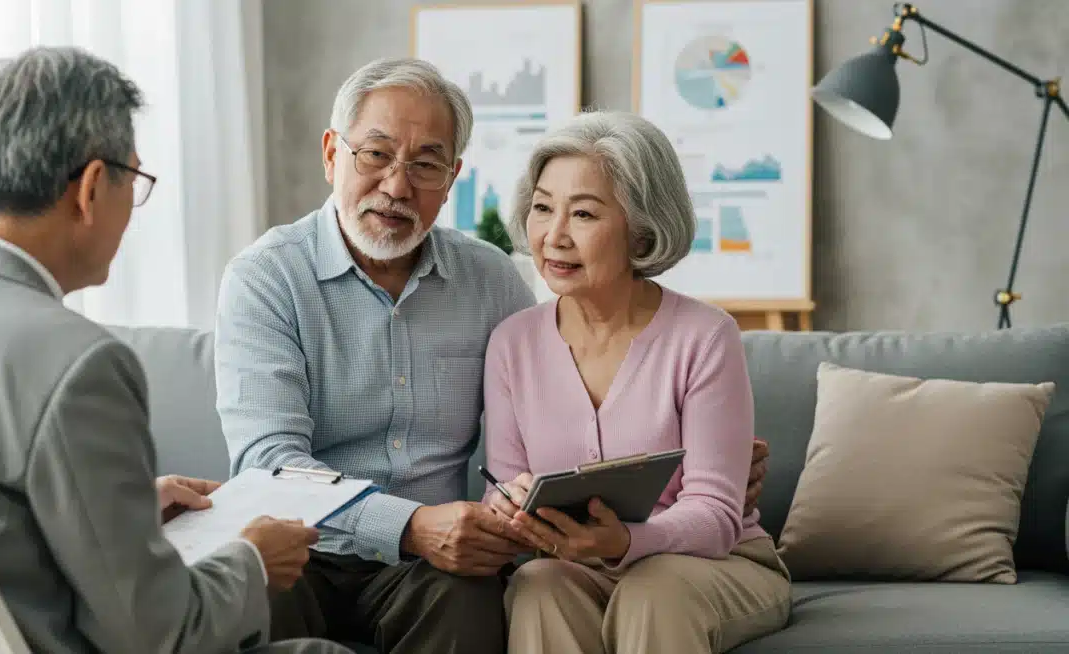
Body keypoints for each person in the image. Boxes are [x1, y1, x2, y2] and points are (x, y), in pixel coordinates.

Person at [214, 57, 771, 654]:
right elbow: (267, 461)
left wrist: (714, 465)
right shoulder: (266, 278)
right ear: (332, 153)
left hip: (440, 567)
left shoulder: (490, 281)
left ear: (451, 178)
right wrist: (408, 526)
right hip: (307, 545)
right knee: (256, 588)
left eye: (425, 164)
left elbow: (527, 457)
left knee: (477, 593)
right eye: (375, 154)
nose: (398, 186)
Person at [0, 46, 349, 654]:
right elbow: (159, 636)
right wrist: (251, 561)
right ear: (93, 186)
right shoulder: (79, 362)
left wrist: (127, 514)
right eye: (136, 179)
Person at [482, 110, 792, 654]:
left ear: (642, 228)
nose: (554, 236)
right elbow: (501, 490)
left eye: (583, 214)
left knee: (651, 590)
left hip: (716, 566)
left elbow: (718, 515)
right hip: (576, 568)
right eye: (542, 208)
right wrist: (509, 507)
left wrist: (626, 540)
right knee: (537, 584)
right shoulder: (512, 343)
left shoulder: (706, 336)